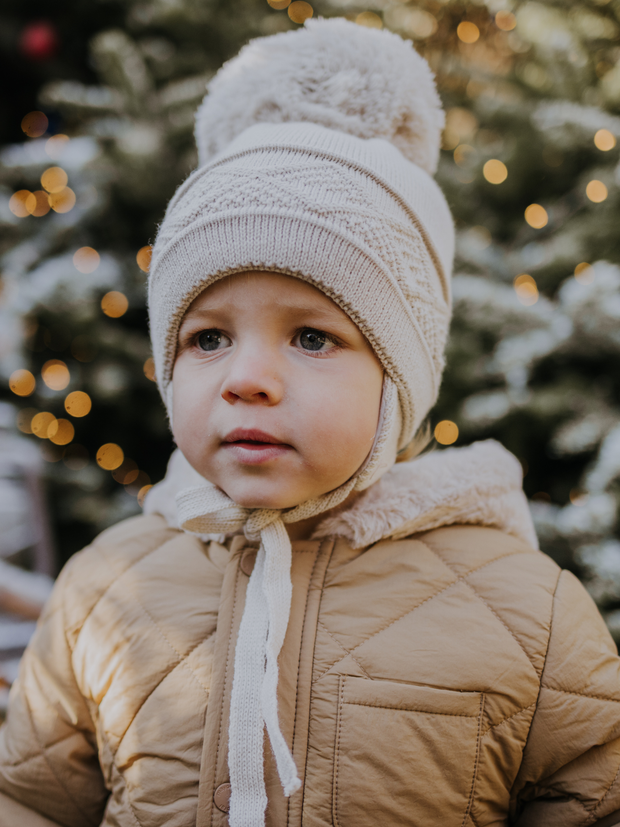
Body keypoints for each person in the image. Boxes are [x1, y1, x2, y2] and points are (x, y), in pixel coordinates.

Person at [1, 18, 620, 827]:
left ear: (398, 381)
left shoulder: (525, 609)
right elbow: (31, 799)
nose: (248, 378)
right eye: (210, 336)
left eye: (313, 336)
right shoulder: (105, 589)